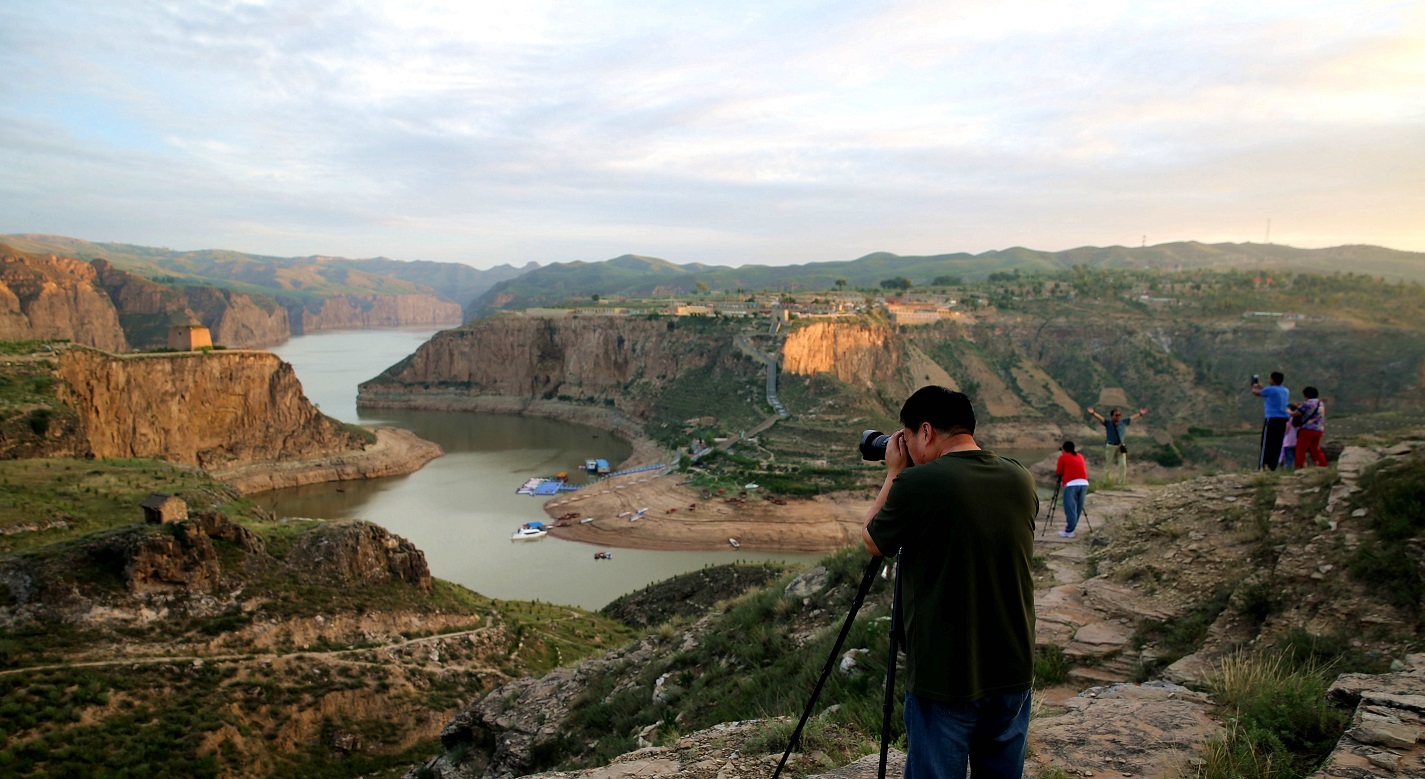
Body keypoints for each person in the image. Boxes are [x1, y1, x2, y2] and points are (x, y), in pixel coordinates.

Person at [862, 386, 1038, 779]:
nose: (905, 448)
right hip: (1013, 669)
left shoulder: (919, 484)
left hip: (944, 676)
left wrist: (894, 473)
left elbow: (874, 541)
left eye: (905, 438)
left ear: (926, 432)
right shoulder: (1020, 478)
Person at [1086, 406, 1147, 484]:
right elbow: (1101, 418)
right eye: (1116, 415)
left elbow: (1132, 417)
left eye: (1119, 415)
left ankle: (1121, 482)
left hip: (1120, 446)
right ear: (1112, 416)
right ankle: (1105, 481)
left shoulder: (1124, 422)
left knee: (1123, 465)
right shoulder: (1108, 423)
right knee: (1108, 465)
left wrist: (1140, 414)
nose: (1118, 416)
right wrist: (1093, 413)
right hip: (1111, 446)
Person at [1252, 372, 1291, 471]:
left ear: (1272, 380)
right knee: (1277, 444)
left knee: (1266, 443)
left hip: (1272, 419)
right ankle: (1272, 467)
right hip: (1283, 420)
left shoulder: (1270, 389)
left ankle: (1262, 466)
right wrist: (1263, 387)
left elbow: (1256, 393)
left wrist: (1253, 386)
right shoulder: (1285, 390)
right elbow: (1272, 392)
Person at [1055, 441, 1089, 538]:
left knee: (1070, 508)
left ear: (1064, 449)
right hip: (1084, 483)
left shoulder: (1063, 457)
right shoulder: (1080, 456)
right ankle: (1071, 529)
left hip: (1071, 484)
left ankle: (1069, 531)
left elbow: (1059, 472)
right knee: (1078, 507)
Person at [1292, 387, 1328, 468]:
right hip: (1319, 429)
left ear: (1305, 395)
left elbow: (1295, 413)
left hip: (1307, 429)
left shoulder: (1307, 403)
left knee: (1300, 449)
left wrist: (1287, 410)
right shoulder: (1320, 403)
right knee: (1315, 448)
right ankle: (1322, 465)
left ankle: (1299, 466)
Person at [1279, 403, 1300, 470]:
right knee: (1295, 458)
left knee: (1289, 459)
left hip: (1288, 442)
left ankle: (1289, 470)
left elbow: (1286, 431)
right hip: (1296, 442)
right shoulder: (1300, 420)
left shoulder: (1290, 420)